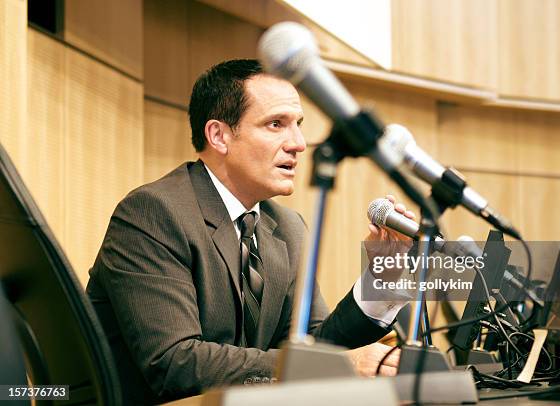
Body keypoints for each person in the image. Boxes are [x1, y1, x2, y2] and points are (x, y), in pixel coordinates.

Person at [86, 59, 414, 404]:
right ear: (219, 136)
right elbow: (175, 364)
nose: (299, 143)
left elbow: (316, 348)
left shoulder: (288, 228)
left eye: (298, 125)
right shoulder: (152, 213)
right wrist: (337, 366)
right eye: (276, 124)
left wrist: (381, 280)